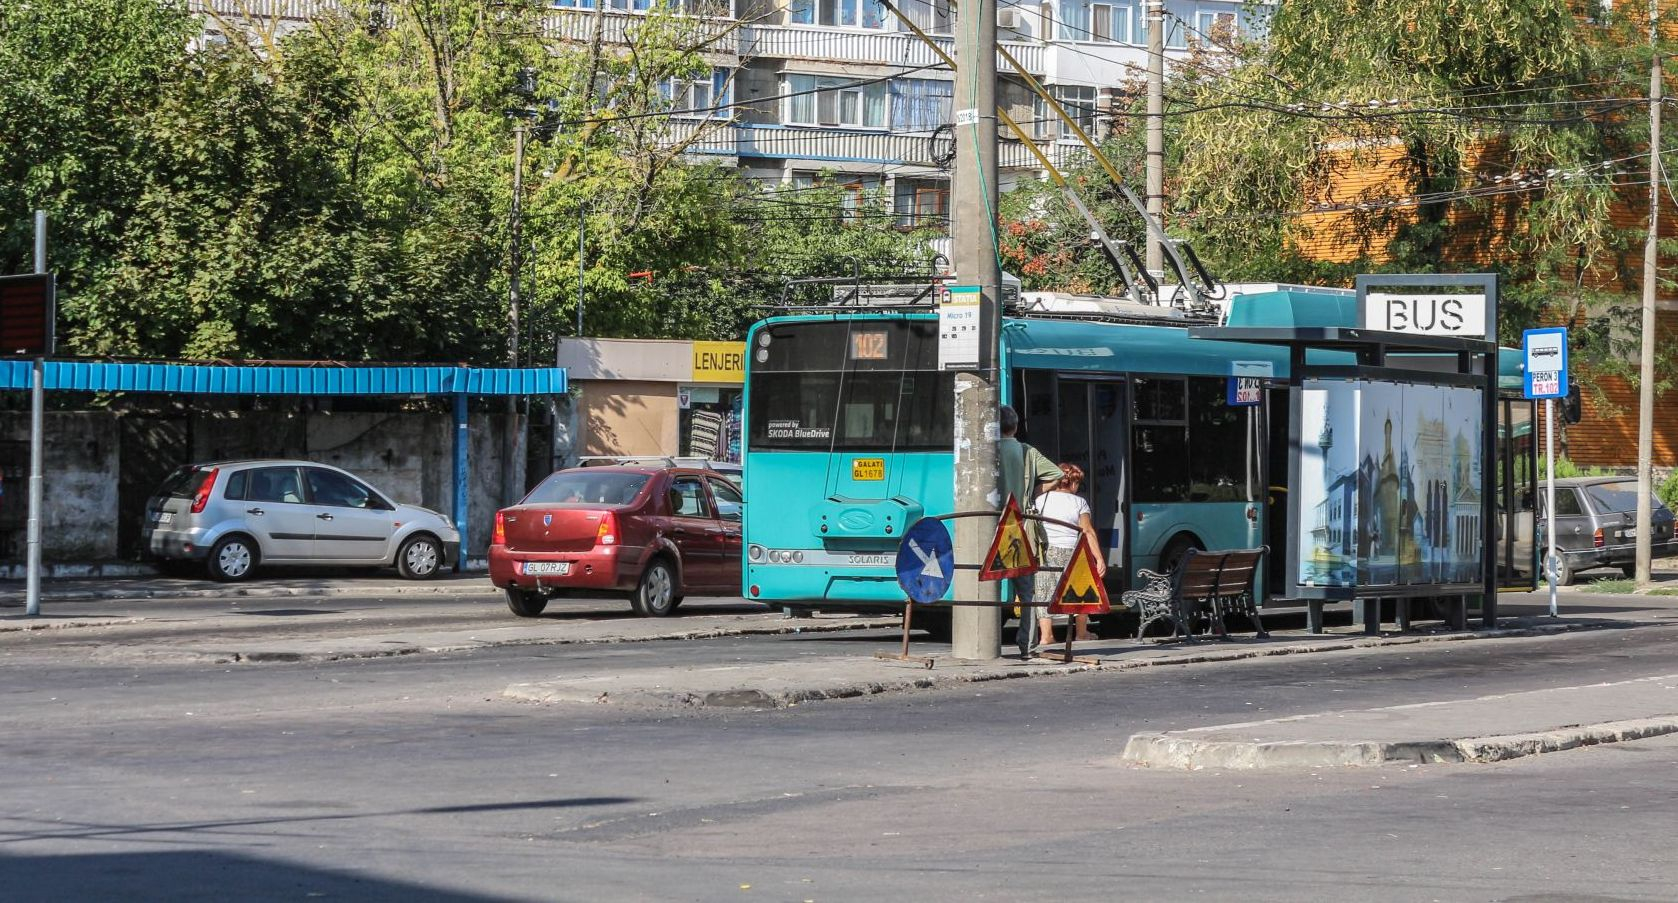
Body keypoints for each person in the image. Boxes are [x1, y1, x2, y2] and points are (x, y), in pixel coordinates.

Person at [999, 405, 1061, 657]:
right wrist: (1035, 492)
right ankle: (1027, 644)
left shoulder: (985, 450)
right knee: (1026, 591)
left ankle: (986, 640)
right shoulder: (1027, 452)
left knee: (984, 585)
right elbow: (1057, 473)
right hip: (1018, 526)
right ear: (1016, 426)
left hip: (990, 525)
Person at [1032, 462, 1107, 647]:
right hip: (1073, 552)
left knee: (1044, 592)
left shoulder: (1041, 499)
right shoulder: (1079, 502)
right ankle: (1081, 633)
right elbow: (1087, 531)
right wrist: (1099, 558)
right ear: (1073, 484)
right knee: (1081, 590)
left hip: (1047, 550)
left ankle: (1046, 636)